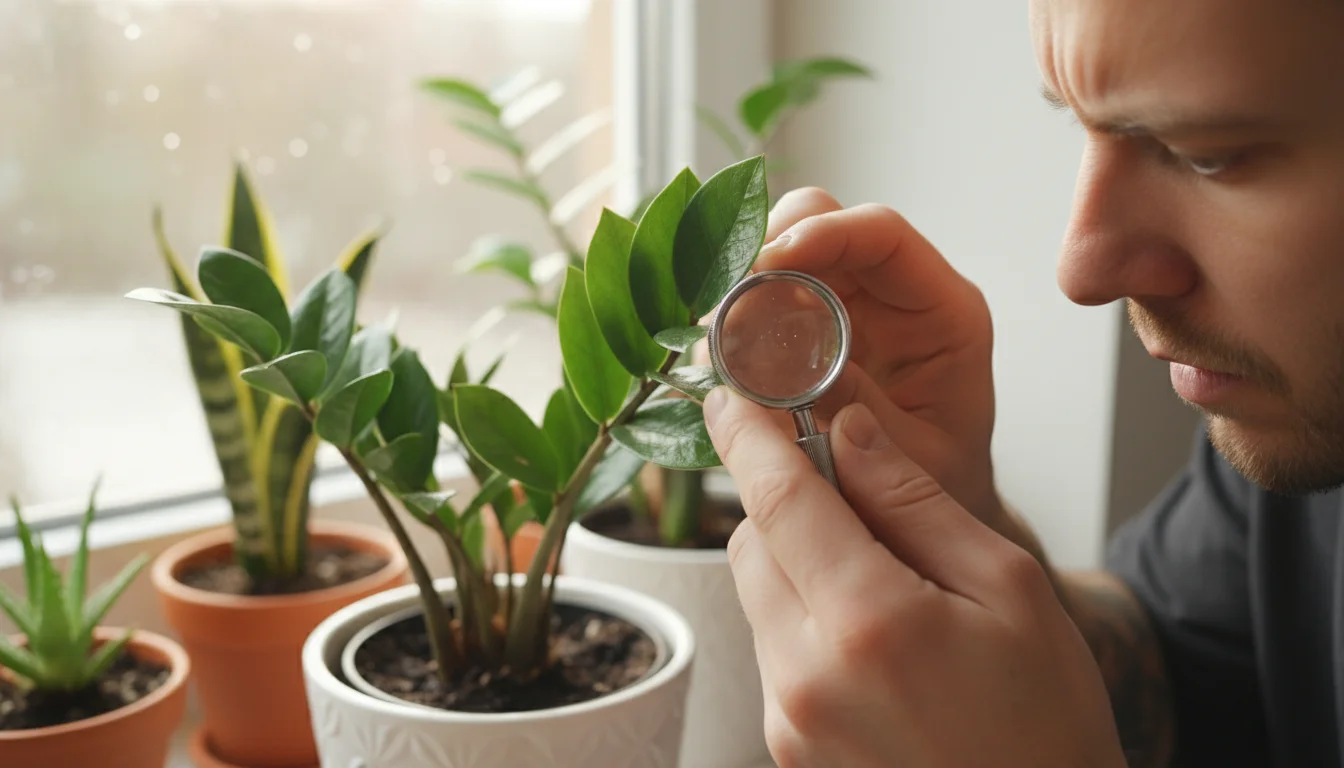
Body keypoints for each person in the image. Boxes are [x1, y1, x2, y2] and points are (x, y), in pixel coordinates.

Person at [703, 0, 1344, 765]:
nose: (1081, 270)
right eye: (1082, 125)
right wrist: (953, 522)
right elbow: (1180, 668)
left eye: (1208, 155)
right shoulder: (1304, 418)